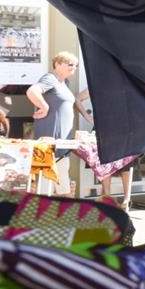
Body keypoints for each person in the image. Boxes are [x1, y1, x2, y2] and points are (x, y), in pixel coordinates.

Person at [27, 51, 86, 195]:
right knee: (45, 187)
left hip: (62, 144)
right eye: (70, 64)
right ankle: (41, 215)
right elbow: (32, 91)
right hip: (49, 143)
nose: (74, 68)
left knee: (63, 186)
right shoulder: (50, 78)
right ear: (58, 64)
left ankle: (64, 214)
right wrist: (44, 106)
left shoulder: (65, 82)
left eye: (76, 65)